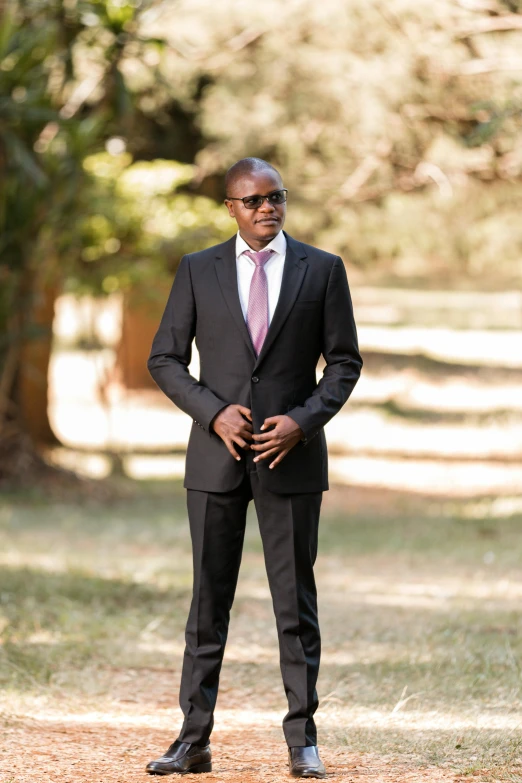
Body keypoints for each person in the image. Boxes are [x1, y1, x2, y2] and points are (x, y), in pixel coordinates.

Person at [145, 157, 362, 778]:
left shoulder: (322, 270)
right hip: (216, 460)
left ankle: (303, 741)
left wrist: (303, 421)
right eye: (255, 200)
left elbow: (344, 362)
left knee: (295, 605)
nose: (268, 207)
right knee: (208, 602)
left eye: (277, 197)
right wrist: (213, 414)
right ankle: (193, 740)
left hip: (291, 460)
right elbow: (165, 359)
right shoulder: (197, 269)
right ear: (231, 208)